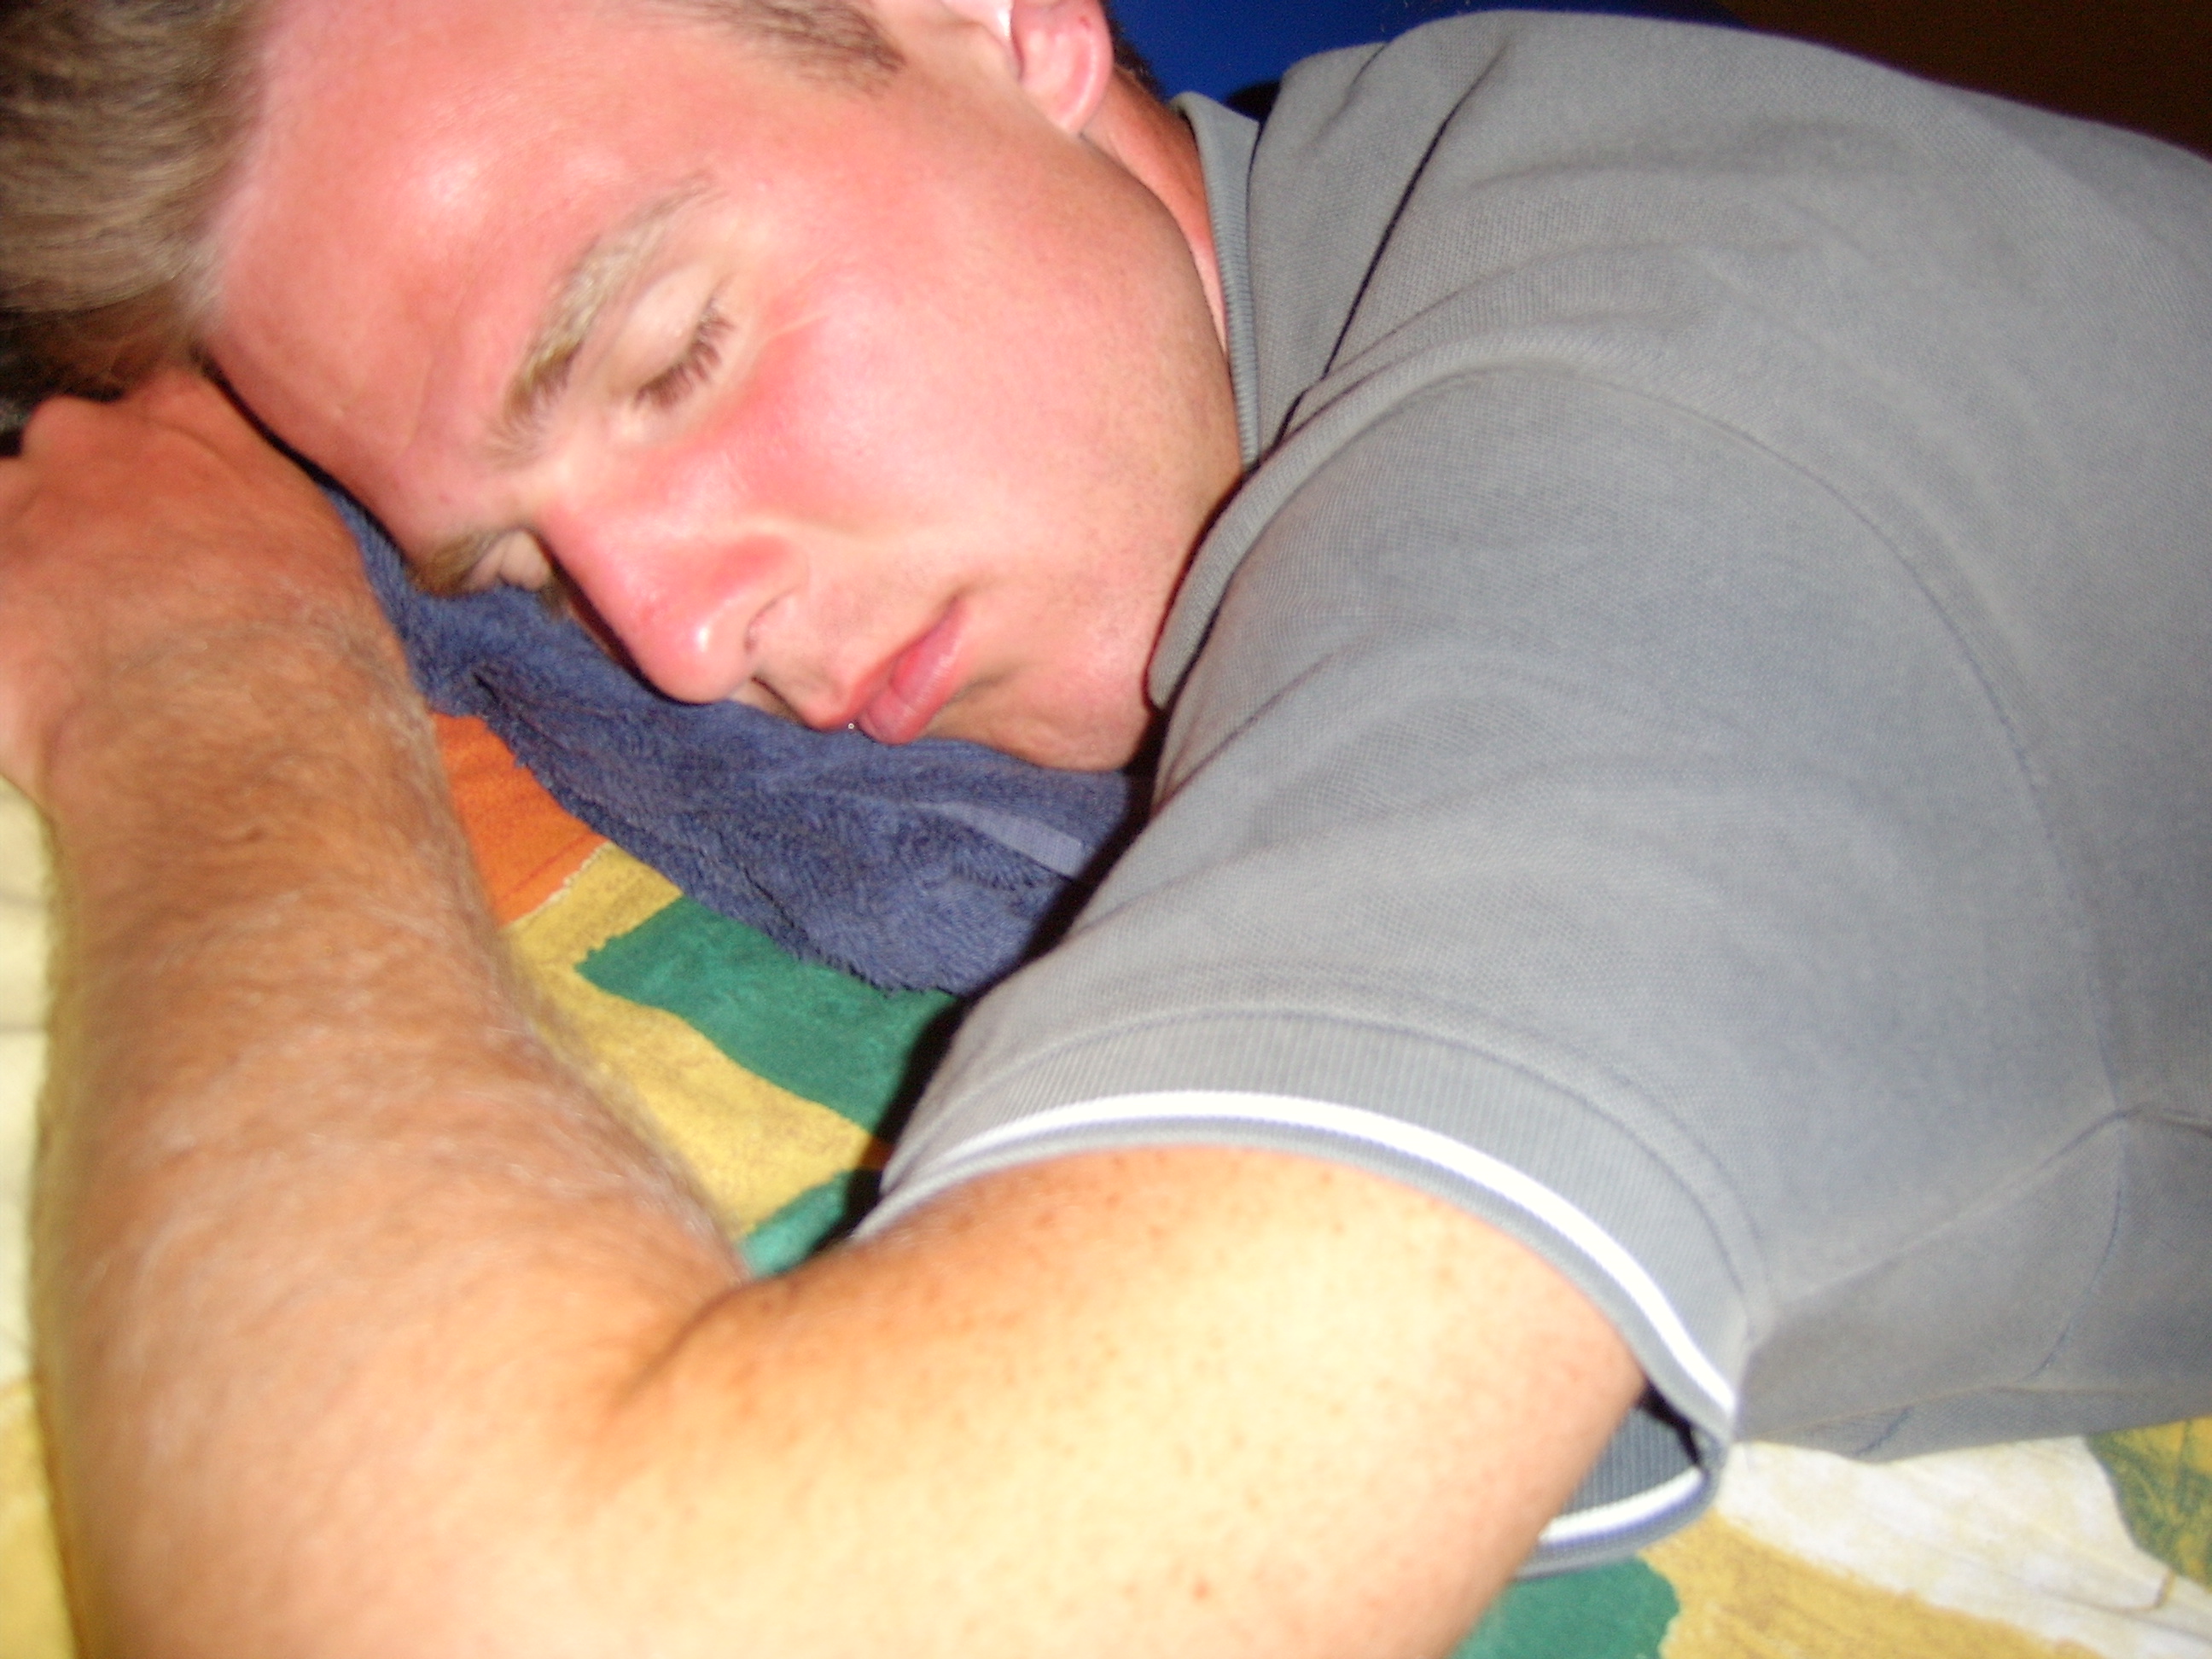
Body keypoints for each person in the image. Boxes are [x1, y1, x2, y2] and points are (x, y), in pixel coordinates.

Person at [2, 0, 2207, 1651]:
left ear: (1002, 24)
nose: (673, 637)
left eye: (670, 358)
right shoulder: (1355, 211)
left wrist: (202, 670)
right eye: (519, 567)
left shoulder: (1663, 486)